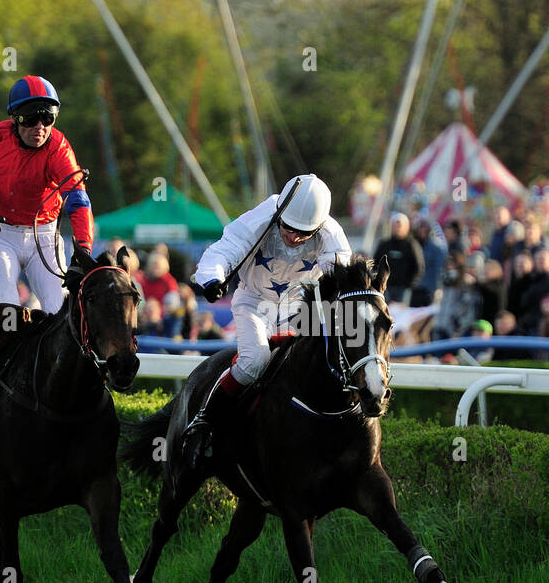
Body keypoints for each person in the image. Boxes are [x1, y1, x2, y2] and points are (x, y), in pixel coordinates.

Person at [0, 76, 95, 446]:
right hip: (1, 234)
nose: (39, 127)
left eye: (48, 119)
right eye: (30, 119)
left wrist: (83, 249)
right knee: (5, 315)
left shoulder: (58, 146)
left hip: (44, 233)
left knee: (64, 317)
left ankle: (78, 398)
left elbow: (78, 200)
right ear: (14, 120)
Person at [182, 174, 351, 469]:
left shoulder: (331, 233)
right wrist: (213, 278)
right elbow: (227, 248)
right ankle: (204, 421)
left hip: (299, 309)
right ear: (280, 214)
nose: (294, 237)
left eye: (304, 233)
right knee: (254, 361)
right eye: (288, 227)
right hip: (253, 302)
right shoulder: (263, 214)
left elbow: (342, 276)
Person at [373, 212, 424, 305]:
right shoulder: (384, 245)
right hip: (385, 288)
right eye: (395, 225)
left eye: (400, 225)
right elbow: (375, 264)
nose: (398, 228)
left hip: (403, 289)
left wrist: (409, 284)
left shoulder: (412, 245)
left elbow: (418, 266)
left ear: (407, 227)